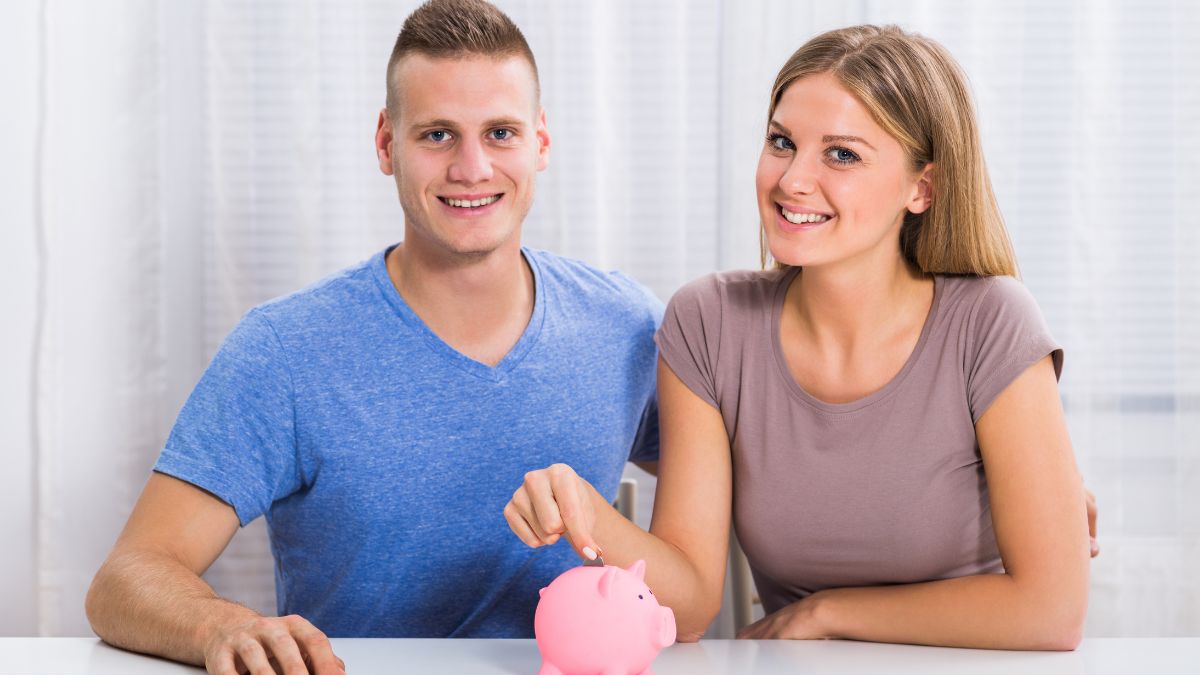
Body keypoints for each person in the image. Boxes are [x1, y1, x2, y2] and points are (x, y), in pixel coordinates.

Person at [85, 0, 662, 672]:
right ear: (387, 144)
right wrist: (222, 625)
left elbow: (755, 487)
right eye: (438, 135)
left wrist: (820, 600)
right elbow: (126, 578)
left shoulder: (626, 327)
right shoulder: (285, 352)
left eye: (500, 132)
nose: (472, 167)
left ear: (541, 141)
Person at [506, 25, 1095, 650]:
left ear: (922, 187)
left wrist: (829, 613)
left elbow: (1053, 612)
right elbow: (694, 603)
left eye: (841, 154)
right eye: (782, 143)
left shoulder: (990, 322)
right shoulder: (709, 324)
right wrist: (589, 513)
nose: (792, 180)